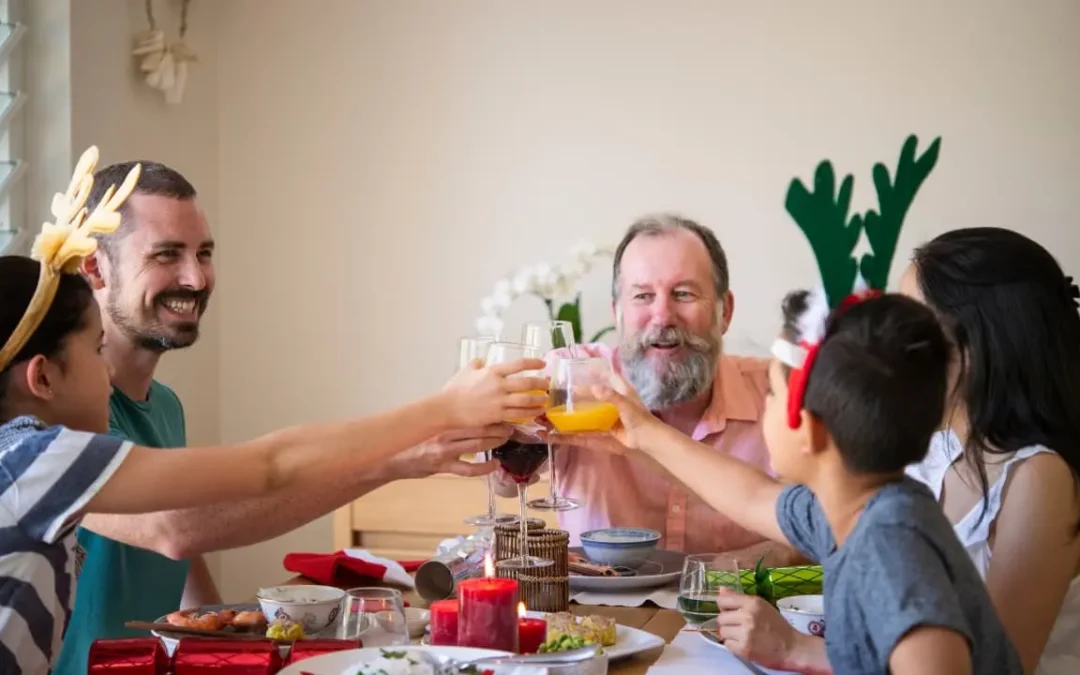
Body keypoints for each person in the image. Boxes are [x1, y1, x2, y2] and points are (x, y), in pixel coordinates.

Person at [0, 149, 550, 673]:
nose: (196, 278)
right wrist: (433, 420)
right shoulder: (48, 439)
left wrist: (220, 642)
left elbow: (185, 554)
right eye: (166, 254)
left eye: (205, 253)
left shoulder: (162, 407)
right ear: (95, 270)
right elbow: (181, 524)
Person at [583, 290, 1022, 674]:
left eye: (771, 394)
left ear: (808, 429)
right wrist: (642, 431)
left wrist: (796, 649)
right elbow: (752, 495)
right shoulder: (854, 508)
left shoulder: (892, 544)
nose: (764, 405)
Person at [498, 213, 801, 564]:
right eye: (642, 296)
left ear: (725, 311)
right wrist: (509, 436)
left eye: (684, 294)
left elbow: (818, 530)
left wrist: (751, 562)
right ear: (618, 313)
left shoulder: (778, 394)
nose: (662, 316)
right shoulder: (572, 380)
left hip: (734, 612)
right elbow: (503, 483)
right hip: (596, 616)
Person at [901, 228, 1080, 674]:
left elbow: (992, 667)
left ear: (976, 343)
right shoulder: (932, 447)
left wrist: (800, 649)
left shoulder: (1038, 476)